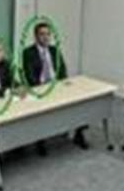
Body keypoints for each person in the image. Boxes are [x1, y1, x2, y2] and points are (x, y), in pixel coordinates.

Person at [22, 22, 88, 153]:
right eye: (42, 34)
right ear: (36, 36)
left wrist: (62, 85)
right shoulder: (28, 52)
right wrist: (45, 89)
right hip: (40, 89)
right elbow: (30, 77)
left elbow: (62, 71)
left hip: (57, 86)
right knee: (43, 110)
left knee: (80, 102)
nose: (46, 37)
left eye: (48, 34)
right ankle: (40, 140)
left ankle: (79, 133)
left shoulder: (54, 50)